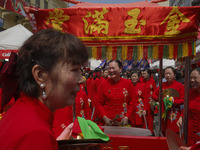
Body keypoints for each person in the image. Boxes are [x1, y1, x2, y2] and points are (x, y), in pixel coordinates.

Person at [0, 28, 88, 150]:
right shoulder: (36, 133)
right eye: (74, 70)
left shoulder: (21, 112)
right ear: (40, 75)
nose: (81, 79)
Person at [95, 60, 136, 126]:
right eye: (109, 68)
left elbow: (133, 102)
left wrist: (127, 117)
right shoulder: (103, 84)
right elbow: (98, 103)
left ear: (120, 69)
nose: (111, 71)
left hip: (124, 123)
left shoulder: (128, 83)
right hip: (107, 123)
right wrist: (104, 117)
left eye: (113, 68)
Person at [152, 66, 184, 134]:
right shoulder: (162, 85)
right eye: (166, 74)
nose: (167, 75)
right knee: (163, 132)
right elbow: (154, 95)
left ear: (174, 74)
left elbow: (183, 100)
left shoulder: (180, 86)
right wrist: (160, 100)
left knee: (174, 133)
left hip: (174, 112)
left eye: (169, 73)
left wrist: (173, 102)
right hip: (164, 112)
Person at [177, 67, 200, 147]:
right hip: (189, 131)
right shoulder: (189, 93)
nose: (192, 80)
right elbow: (185, 108)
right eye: (191, 78)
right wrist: (181, 117)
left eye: (195, 78)